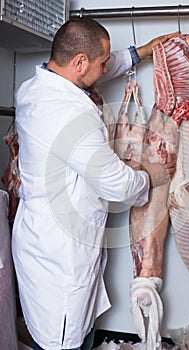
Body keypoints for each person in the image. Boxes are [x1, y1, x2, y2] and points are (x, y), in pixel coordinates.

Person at [12, 18, 177, 350]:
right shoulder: (73, 114)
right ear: (80, 63)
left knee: (71, 333)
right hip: (62, 256)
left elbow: (93, 67)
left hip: (38, 237)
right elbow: (116, 185)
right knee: (64, 342)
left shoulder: (32, 88)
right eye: (102, 64)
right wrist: (151, 177)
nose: (105, 70)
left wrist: (140, 53)